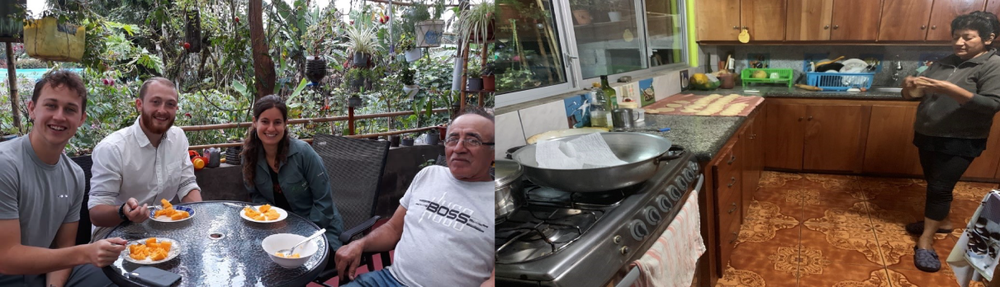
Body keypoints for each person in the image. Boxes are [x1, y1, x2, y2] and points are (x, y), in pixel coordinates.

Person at [335, 107, 495, 287]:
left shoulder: (501, 202)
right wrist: (360, 244)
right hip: (388, 281)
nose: (459, 148)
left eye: (473, 141)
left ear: (494, 152)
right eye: (453, 139)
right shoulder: (429, 174)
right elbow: (393, 229)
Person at [0, 70, 126, 286]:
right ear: (32, 109)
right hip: (6, 274)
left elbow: (64, 247)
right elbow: (6, 256)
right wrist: (86, 253)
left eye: (70, 109)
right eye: (51, 105)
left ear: (81, 119)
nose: (59, 116)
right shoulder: (6, 164)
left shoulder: (75, 175)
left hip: (45, 271)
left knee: (121, 277)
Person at [901, 11, 1000, 272]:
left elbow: (992, 104)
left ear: (989, 38)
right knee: (934, 183)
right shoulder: (944, 63)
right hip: (928, 134)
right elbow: (912, 95)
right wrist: (910, 85)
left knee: (940, 188)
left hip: (962, 139)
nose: (959, 43)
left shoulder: (993, 65)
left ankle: (925, 241)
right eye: (956, 37)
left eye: (967, 37)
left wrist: (951, 90)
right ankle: (942, 222)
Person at [88, 77, 202, 240]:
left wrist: (197, 219)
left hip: (162, 227)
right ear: (139, 105)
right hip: (115, 233)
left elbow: (187, 184)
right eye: (155, 102)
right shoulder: (112, 148)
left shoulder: (178, 137)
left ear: (176, 108)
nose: (162, 110)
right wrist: (124, 211)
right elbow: (96, 213)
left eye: (170, 104)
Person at [240, 95, 346, 254]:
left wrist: (301, 231)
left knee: (297, 260)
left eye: (277, 122)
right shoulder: (249, 156)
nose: (271, 128)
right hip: (277, 228)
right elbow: (256, 196)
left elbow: (324, 202)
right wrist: (272, 221)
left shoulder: (303, 153)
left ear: (285, 124)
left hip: (318, 228)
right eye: (265, 121)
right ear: (255, 122)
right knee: (249, 253)